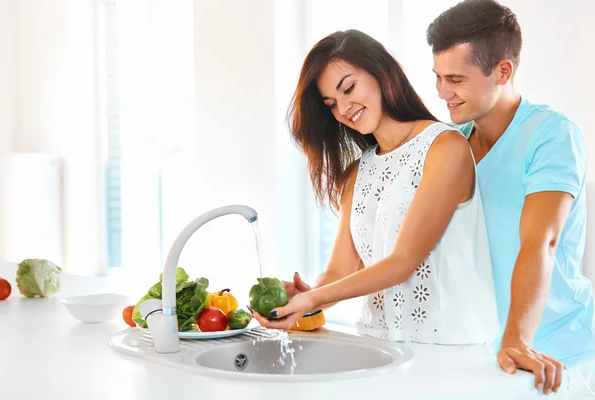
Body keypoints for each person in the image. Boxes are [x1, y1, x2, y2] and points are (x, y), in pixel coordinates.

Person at [251, 29, 499, 346]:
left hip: (452, 349)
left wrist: (312, 302)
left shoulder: (445, 147)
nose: (343, 108)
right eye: (330, 103)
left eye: (349, 88)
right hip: (380, 346)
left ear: (380, 72)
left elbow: (402, 261)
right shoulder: (357, 173)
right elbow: (339, 271)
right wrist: (308, 296)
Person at [427, 0, 595, 396]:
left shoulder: (551, 135)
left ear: (503, 71)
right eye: (436, 76)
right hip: (489, 352)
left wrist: (518, 339)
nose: (441, 92)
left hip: (558, 352)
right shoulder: (454, 145)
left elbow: (541, 242)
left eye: (456, 79)